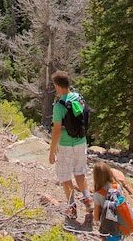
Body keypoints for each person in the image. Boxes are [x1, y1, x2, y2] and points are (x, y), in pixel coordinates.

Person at [49, 70, 92, 222]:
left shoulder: (59, 106)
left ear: (58, 86)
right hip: (81, 141)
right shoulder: (78, 98)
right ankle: (87, 200)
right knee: (80, 172)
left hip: (66, 145)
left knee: (65, 176)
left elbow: (56, 130)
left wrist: (52, 150)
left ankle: (72, 206)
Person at [92, 161, 123, 240]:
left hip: (107, 228)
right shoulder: (117, 186)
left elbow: (96, 218)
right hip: (120, 225)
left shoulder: (98, 194)